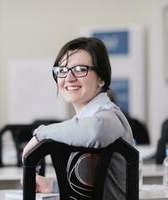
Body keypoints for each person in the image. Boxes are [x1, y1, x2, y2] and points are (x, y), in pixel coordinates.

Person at [22, 37, 135, 199]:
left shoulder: (110, 115)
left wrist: (41, 133)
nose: (68, 78)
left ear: (101, 78)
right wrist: (52, 186)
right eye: (62, 70)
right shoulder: (83, 121)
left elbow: (96, 131)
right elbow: (95, 186)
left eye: (80, 69)